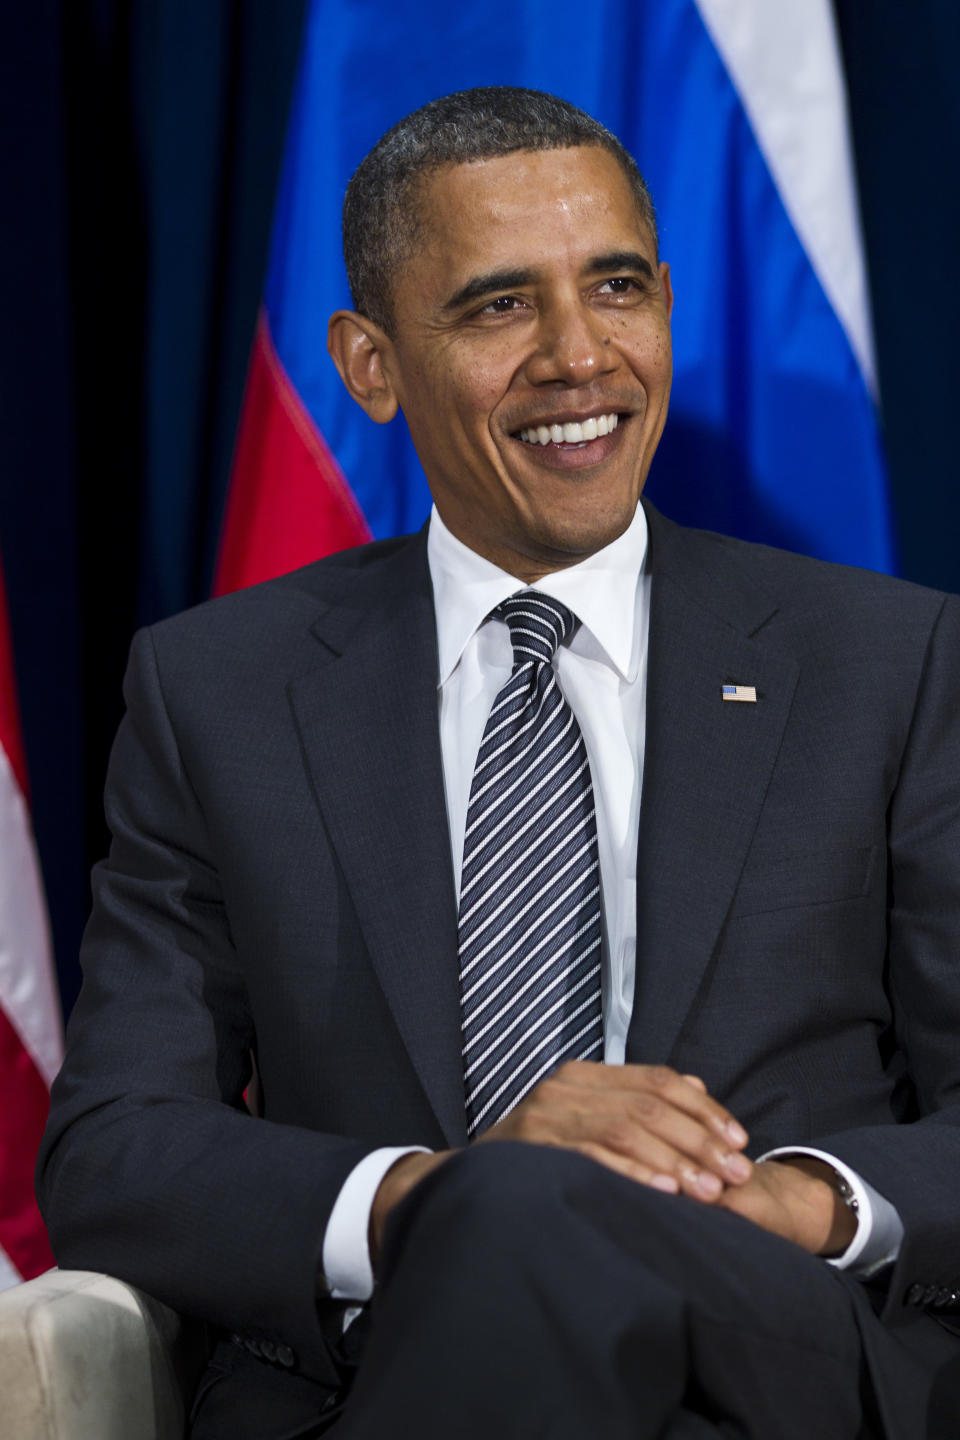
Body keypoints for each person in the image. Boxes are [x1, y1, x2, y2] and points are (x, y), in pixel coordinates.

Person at [37, 88, 960, 1439]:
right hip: (385, 1372)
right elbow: (115, 1151)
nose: (580, 357)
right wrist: (442, 1195)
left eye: (618, 287)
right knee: (517, 1209)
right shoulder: (217, 692)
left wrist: (801, 1199)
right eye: (496, 307)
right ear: (370, 364)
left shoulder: (892, 661)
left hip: (776, 1361)